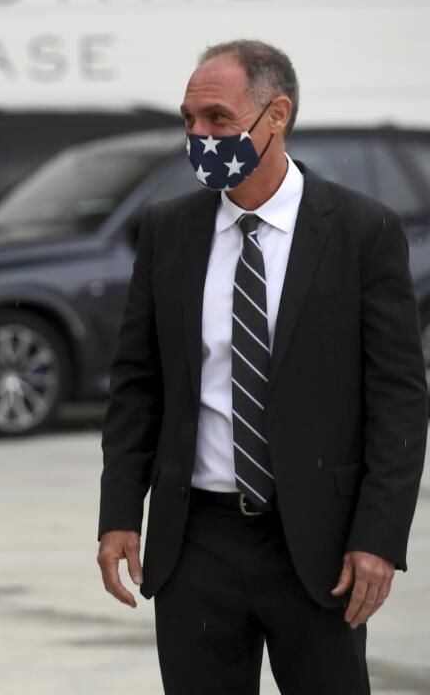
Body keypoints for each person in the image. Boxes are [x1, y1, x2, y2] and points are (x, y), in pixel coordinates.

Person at [97, 40, 427, 693]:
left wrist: (379, 537)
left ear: (276, 115)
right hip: (194, 543)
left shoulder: (362, 231)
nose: (198, 137)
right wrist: (118, 515)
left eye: (217, 120)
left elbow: (398, 399)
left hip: (318, 545)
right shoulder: (168, 231)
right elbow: (137, 385)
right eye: (188, 122)